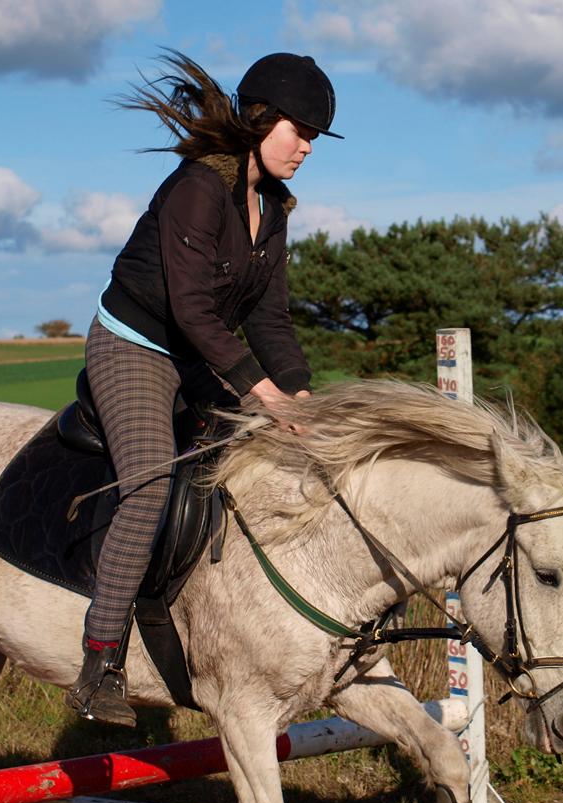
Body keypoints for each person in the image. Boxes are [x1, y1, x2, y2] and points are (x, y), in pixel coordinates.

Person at [65, 51, 341, 726]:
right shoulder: (198, 185)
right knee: (152, 484)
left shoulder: (272, 209)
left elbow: (268, 318)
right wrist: (262, 394)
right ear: (259, 119)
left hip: (196, 355)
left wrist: (301, 396)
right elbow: (191, 310)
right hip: (133, 345)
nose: (306, 147)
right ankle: (100, 659)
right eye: (299, 130)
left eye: (313, 137)